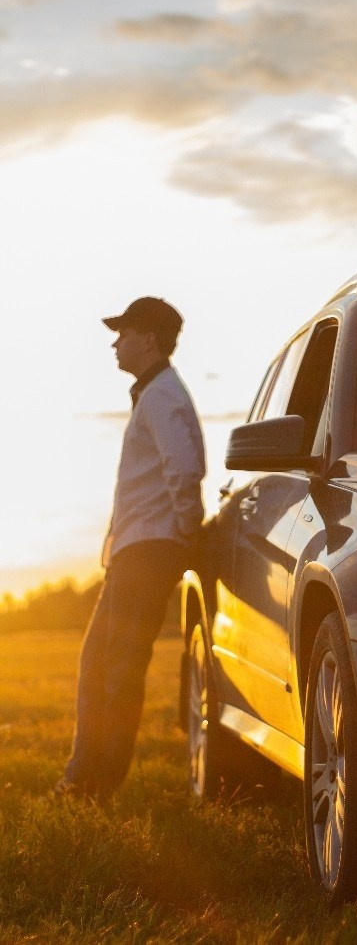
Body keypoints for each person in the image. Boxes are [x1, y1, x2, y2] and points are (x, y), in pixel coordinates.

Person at [55, 296, 205, 801]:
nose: (115, 343)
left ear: (149, 340)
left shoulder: (162, 396)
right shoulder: (155, 394)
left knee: (116, 668)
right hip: (137, 549)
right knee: (100, 664)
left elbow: (184, 469)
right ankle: (85, 776)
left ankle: (94, 783)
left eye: (123, 333)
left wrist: (185, 533)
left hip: (148, 551)